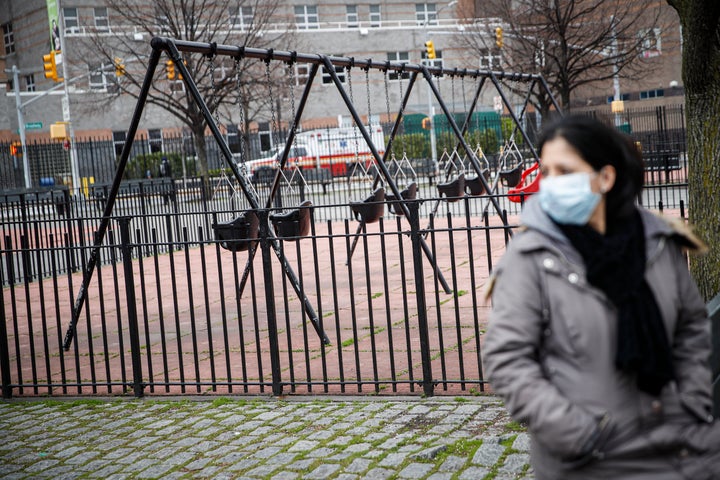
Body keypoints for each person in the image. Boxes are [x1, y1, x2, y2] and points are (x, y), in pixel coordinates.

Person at [483, 115, 720, 479]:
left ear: (605, 178)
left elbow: (690, 328)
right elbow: (508, 359)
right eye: (546, 172)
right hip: (591, 458)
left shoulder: (656, 243)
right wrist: (578, 432)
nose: (550, 184)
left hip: (679, 446)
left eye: (565, 171)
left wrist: (690, 403)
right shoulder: (531, 256)